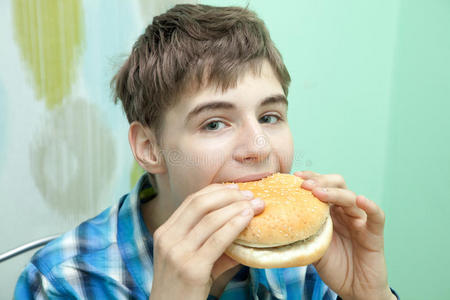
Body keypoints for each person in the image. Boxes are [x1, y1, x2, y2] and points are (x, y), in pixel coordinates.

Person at [15, 4, 399, 300]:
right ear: (150, 149)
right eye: (214, 123)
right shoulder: (63, 280)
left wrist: (367, 294)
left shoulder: (308, 259)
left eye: (270, 116)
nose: (259, 147)